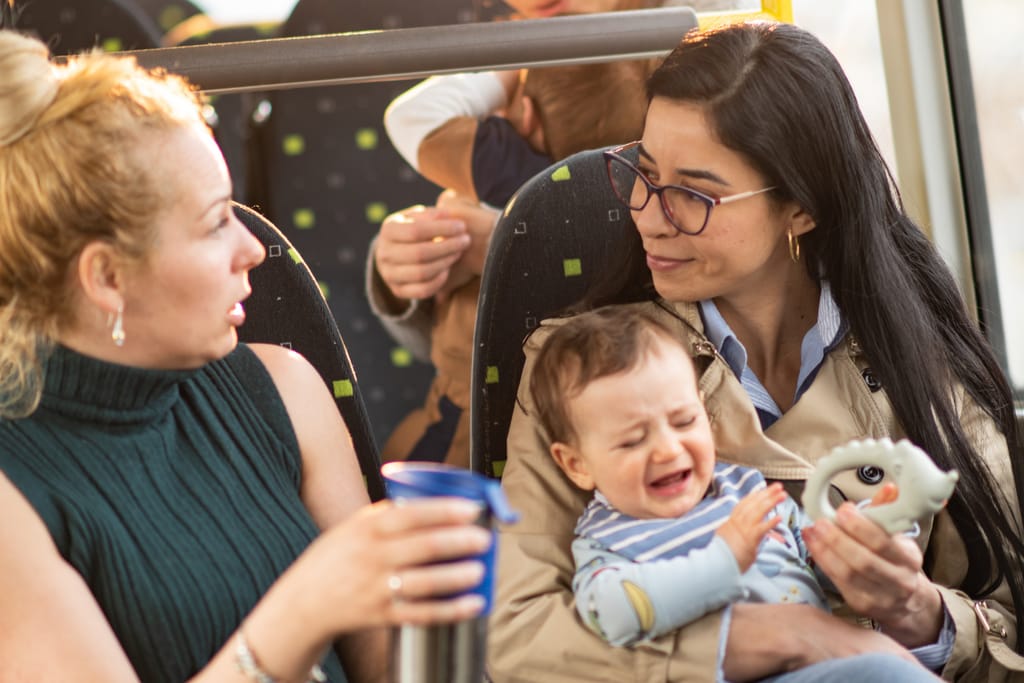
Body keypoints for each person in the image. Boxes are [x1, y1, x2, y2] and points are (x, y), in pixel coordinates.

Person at [488, 21, 1024, 683]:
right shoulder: (578, 371)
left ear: (800, 207)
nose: (648, 213)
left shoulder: (924, 363)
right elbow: (516, 636)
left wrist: (918, 612)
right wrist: (785, 636)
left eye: (694, 193)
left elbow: (1009, 623)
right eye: (643, 172)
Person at [0, 31, 492, 683]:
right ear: (108, 278)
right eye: (213, 224)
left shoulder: (285, 388)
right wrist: (304, 609)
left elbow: (396, 671)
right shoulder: (14, 499)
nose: (256, 249)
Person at [529, 307, 940, 681]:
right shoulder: (606, 539)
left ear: (705, 415)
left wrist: (870, 529)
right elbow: (616, 615)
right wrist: (723, 560)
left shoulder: (746, 489)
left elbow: (822, 548)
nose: (669, 449)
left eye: (684, 421)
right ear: (576, 465)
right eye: (633, 441)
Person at [368, 1, 657, 468]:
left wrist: (510, 65)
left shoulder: (506, 166)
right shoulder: (630, 182)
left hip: (463, 422)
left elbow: (411, 116)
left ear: (524, 115)